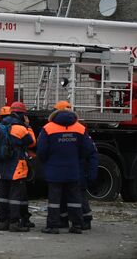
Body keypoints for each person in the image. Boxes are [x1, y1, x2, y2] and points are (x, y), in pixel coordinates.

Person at [37, 100, 97, 235]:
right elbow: (87, 149)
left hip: (54, 171)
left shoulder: (48, 128)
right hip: (73, 170)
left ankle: (53, 226)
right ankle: (76, 225)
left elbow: (41, 150)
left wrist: (47, 161)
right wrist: (76, 158)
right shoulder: (80, 128)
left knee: (54, 200)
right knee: (74, 199)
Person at [0, 102, 36, 232]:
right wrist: (28, 126)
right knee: (15, 196)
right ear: (22, 115)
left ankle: (3, 222)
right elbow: (31, 142)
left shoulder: (1, 126)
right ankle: (14, 222)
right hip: (16, 166)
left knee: (3, 194)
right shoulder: (20, 129)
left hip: (3, 164)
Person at [58, 101, 98, 231]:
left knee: (77, 195)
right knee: (73, 195)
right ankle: (76, 219)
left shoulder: (76, 129)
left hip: (74, 168)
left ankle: (83, 219)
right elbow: (91, 152)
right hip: (75, 168)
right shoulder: (79, 129)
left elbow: (90, 152)